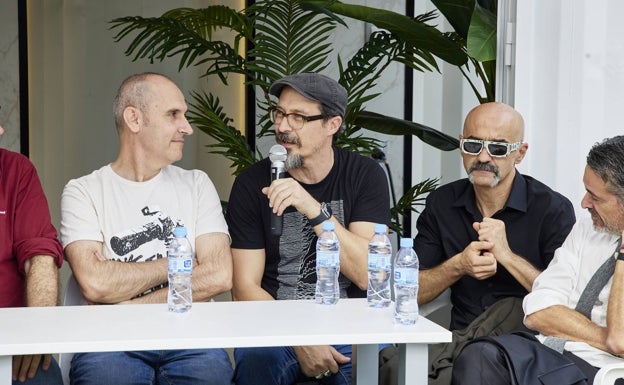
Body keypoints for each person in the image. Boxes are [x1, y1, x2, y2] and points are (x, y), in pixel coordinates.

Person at [378, 102, 576, 385]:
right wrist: (457, 265)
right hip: (459, 340)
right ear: (461, 145)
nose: (483, 157)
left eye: (497, 148)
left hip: (527, 349)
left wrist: (507, 256)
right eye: (473, 145)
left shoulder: (551, 208)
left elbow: (566, 303)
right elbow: (412, 292)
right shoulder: (443, 203)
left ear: (520, 153)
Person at [60, 72, 234, 385]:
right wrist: (175, 266)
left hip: (190, 341)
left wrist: (127, 306)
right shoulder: (83, 191)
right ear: (134, 119)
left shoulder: (196, 185)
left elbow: (219, 275)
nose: (187, 127)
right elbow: (96, 283)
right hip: (109, 344)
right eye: (173, 115)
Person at [225, 72, 391, 385]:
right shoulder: (252, 183)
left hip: (348, 326)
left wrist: (313, 209)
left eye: (298, 117)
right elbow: (244, 288)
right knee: (258, 359)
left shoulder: (365, 175)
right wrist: (298, 337)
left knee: (380, 360)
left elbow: (369, 276)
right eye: (280, 114)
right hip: (277, 330)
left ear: (333, 125)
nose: (282, 127)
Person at [452, 135, 624, 385]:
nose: (584, 203)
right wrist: (602, 337)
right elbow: (538, 309)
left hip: (604, 369)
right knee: (479, 356)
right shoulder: (587, 229)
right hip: (550, 350)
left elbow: (620, 339)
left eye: (595, 197)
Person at [0, 109, 64, 384]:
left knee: (41, 377)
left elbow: (40, 255)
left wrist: (36, 333)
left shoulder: (16, 170)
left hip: (14, 340)